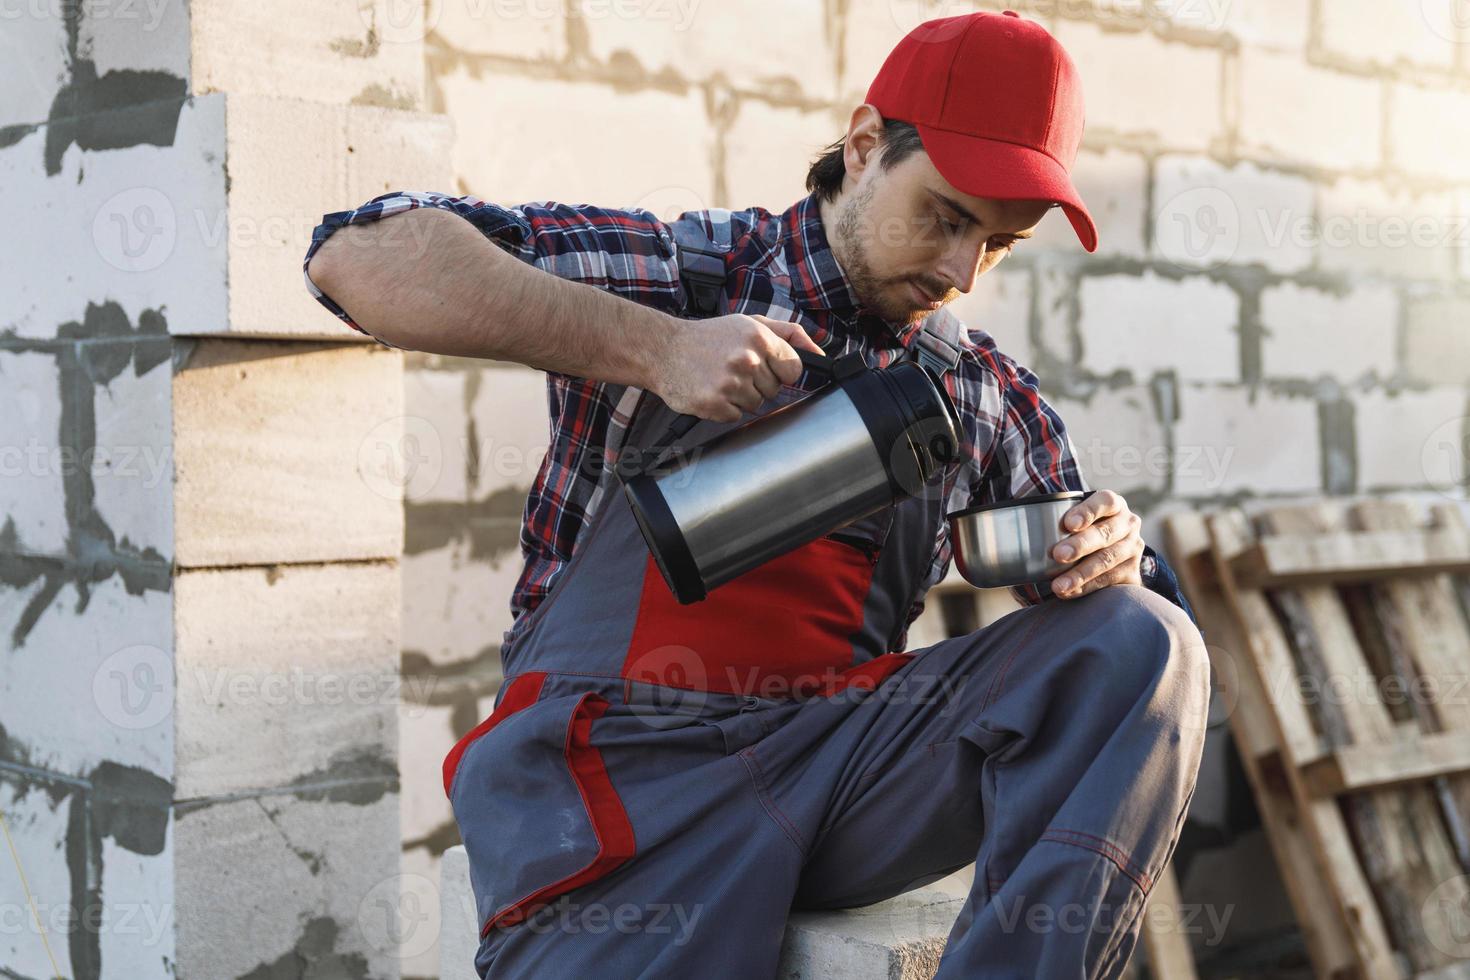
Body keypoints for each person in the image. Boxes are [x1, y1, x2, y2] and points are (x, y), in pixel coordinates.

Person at [304, 10, 1209, 979]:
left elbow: (1113, 661)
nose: (960, 270)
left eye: (998, 242)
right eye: (946, 216)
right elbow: (353, 259)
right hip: (620, 773)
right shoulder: (688, 276)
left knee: (1146, 640)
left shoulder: (976, 386)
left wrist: (1109, 551)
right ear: (863, 146)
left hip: (830, 768)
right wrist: (657, 350)